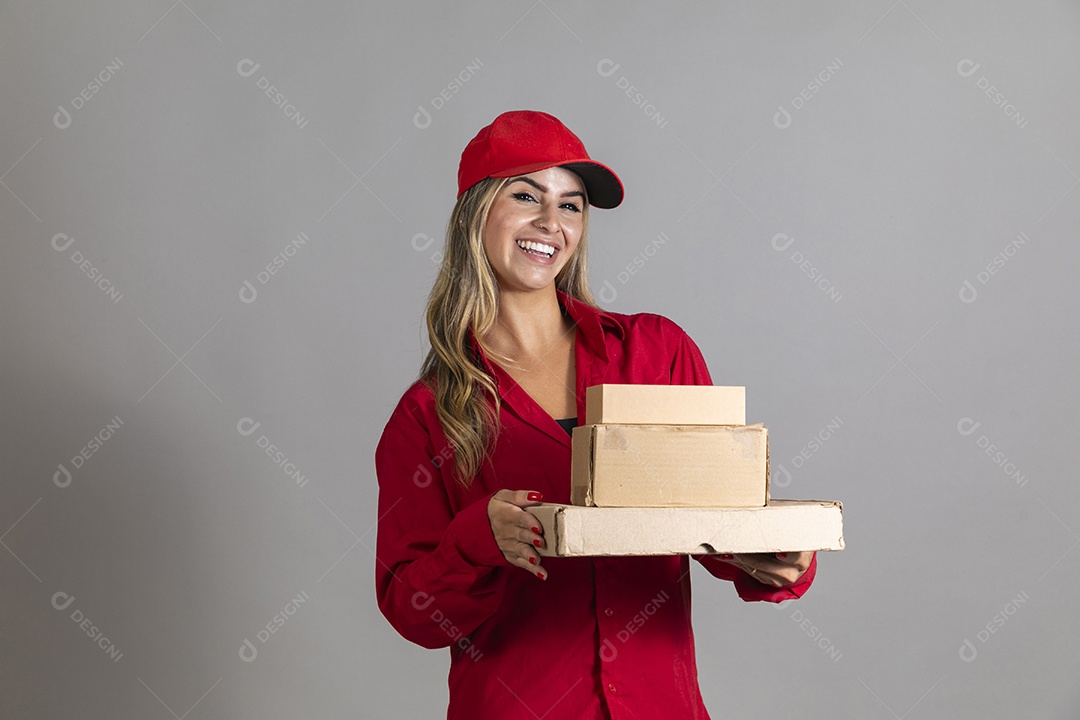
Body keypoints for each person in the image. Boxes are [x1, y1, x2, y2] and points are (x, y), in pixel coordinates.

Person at [374, 110, 817, 720]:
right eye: (526, 195)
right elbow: (412, 612)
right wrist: (480, 541)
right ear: (475, 212)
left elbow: (711, 521)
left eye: (571, 205)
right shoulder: (426, 416)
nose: (550, 223)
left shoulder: (656, 352)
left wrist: (775, 558)